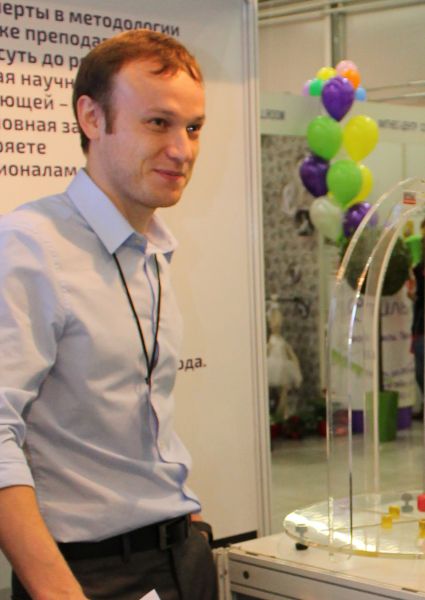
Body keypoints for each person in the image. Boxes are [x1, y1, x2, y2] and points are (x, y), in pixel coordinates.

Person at [0, 29, 217, 600]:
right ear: (92, 119)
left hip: (179, 558)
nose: (183, 150)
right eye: (158, 123)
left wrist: (186, 527)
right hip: (89, 575)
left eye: (193, 128)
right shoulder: (30, 246)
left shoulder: (151, 249)